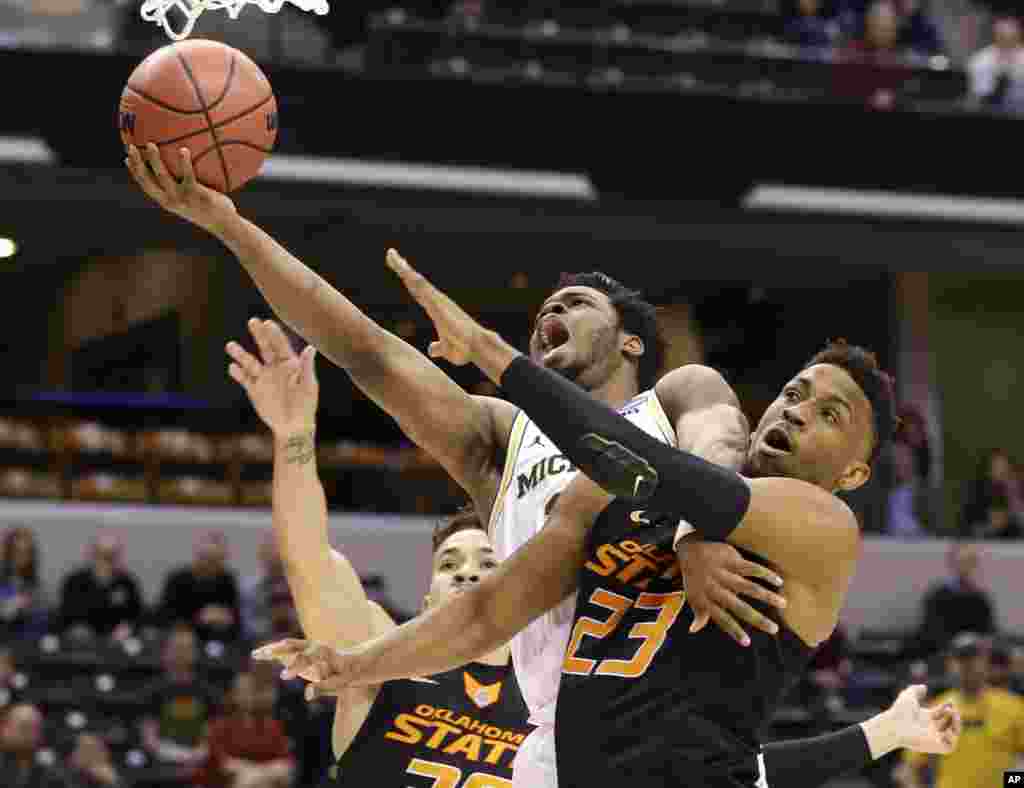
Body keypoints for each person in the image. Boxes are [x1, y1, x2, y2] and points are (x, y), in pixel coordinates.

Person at [126, 143, 786, 788]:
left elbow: (720, 448)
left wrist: (698, 531)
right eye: (545, 310)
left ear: (632, 340)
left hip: (688, 731)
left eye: (578, 304)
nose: (552, 311)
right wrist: (231, 227)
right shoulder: (503, 436)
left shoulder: (674, 396)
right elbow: (367, 352)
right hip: (563, 746)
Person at [262, 254, 914, 787]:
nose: (798, 410)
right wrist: (358, 666)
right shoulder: (593, 489)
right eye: (795, 393)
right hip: (556, 749)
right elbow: (491, 608)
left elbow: (683, 465)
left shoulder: (817, 520)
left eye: (830, 414)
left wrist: (490, 353)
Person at [226, 317, 533, 786]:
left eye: (488, 562)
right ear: (427, 599)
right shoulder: (378, 664)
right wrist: (293, 436)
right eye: (449, 564)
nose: (466, 573)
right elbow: (308, 559)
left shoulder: (552, 692)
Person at [897, 633, 1024, 788]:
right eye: (961, 659)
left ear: (985, 662)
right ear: (951, 664)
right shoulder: (935, 711)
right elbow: (909, 769)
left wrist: (1013, 782)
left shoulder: (1013, 707)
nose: (968, 665)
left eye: (973, 658)